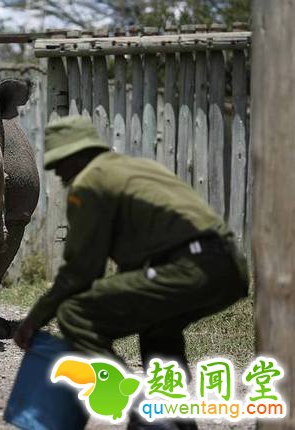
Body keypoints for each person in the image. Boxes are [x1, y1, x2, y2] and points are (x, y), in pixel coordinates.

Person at [13, 115, 249, 430]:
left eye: (60, 164)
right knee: (157, 330)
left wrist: (34, 319)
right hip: (229, 267)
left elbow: (81, 273)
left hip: (190, 266)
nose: (57, 173)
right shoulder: (137, 168)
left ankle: (142, 408)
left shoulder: (90, 181)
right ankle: (176, 421)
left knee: (75, 313)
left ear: (79, 156)